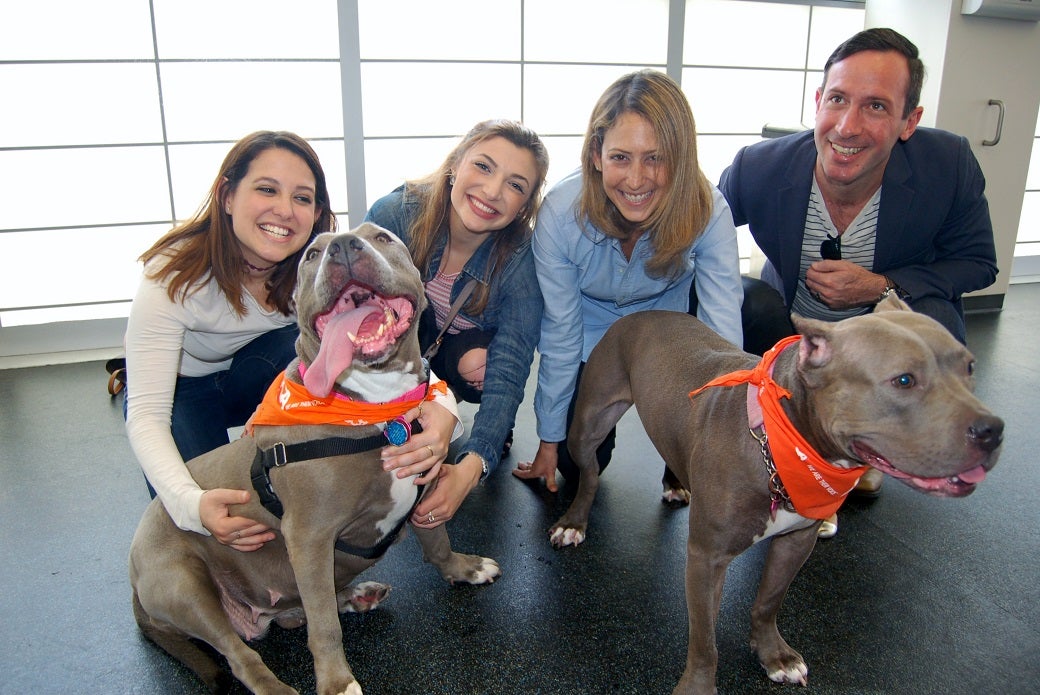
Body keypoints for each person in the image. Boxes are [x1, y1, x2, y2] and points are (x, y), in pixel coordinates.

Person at [718, 28, 999, 537]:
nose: (847, 127)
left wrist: (879, 285)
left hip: (886, 330)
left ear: (908, 121)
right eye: (839, 100)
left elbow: (978, 262)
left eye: (875, 107)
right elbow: (698, 232)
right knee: (745, 298)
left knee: (930, 317)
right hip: (792, 326)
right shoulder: (760, 167)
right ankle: (781, 432)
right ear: (818, 100)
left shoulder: (948, 165)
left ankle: (874, 443)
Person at [124, 130, 459, 552]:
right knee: (211, 521)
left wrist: (445, 409)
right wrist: (190, 504)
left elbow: (402, 364)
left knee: (312, 337)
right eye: (267, 190)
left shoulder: (316, 269)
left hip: (263, 373)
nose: (284, 210)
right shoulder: (172, 276)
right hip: (182, 390)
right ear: (227, 196)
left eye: (302, 198)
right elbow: (146, 415)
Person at [513, 70, 744, 493]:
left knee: (760, 311)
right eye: (621, 157)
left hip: (668, 332)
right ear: (597, 154)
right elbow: (561, 332)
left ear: (680, 156)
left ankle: (679, 465)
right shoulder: (562, 215)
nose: (636, 180)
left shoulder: (707, 207)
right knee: (573, 459)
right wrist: (548, 438)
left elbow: (722, 324)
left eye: (655, 158)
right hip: (591, 333)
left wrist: (724, 436)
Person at [365, 119, 549, 527]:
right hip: (398, 343)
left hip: (459, 352)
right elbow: (357, 319)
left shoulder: (521, 259)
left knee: (483, 365)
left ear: (525, 205)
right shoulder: (394, 216)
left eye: (516, 185)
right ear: (455, 164)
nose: (492, 192)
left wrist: (473, 464)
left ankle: (486, 428)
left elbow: (513, 360)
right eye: (483, 166)